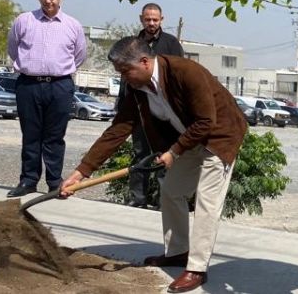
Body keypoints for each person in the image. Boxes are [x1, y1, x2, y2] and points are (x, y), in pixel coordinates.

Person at [60, 36, 247, 293]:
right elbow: (118, 130)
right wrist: (82, 171)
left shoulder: (185, 72)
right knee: (171, 192)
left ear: (145, 62)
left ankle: (196, 268)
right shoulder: (137, 90)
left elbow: (206, 121)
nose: (123, 78)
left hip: (219, 136)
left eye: (125, 71)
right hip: (188, 139)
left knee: (207, 201)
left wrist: (174, 151)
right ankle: (178, 252)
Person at [6, 0, 88, 197]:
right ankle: (28, 180)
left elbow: (79, 55)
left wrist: (58, 70)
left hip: (60, 86)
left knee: (54, 135)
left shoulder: (72, 25)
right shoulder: (24, 21)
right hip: (29, 84)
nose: (48, 1)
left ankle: (54, 182)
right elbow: (13, 49)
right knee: (30, 134)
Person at [127, 2, 185, 208]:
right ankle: (137, 198)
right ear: (141, 19)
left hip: (163, 111)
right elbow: (125, 75)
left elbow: (179, 75)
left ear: (162, 20)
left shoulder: (171, 44)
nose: (151, 23)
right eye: (147, 19)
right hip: (140, 109)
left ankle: (165, 200)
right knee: (140, 154)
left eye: (155, 19)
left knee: (164, 154)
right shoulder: (133, 44)